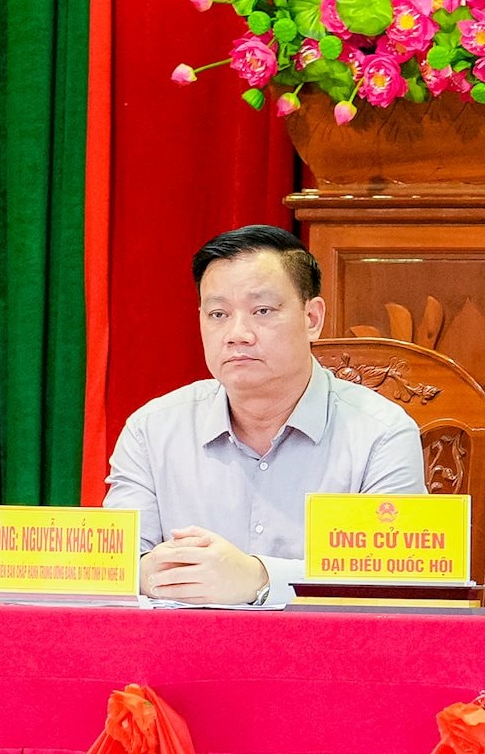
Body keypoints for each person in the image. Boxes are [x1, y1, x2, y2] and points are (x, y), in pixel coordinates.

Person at [105, 224, 425, 604]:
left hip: (323, 643)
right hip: (183, 640)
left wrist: (261, 578)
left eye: (262, 311)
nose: (237, 334)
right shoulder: (152, 430)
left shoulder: (381, 435)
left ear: (312, 318)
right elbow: (118, 568)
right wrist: (144, 574)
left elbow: (396, 586)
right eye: (218, 314)